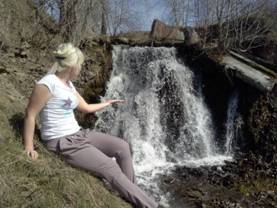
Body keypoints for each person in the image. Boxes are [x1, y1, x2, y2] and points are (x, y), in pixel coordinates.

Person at [23, 43, 159, 208]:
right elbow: (30, 114)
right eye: (79, 64)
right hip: (62, 142)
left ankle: (130, 194)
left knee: (122, 147)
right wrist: (29, 146)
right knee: (110, 166)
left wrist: (107, 103)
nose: (80, 68)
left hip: (78, 134)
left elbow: (86, 107)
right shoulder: (47, 83)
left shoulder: (68, 85)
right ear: (72, 66)